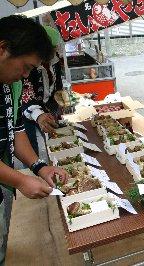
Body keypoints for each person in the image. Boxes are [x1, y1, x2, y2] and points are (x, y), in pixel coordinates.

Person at [0, 15, 69, 264]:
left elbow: (16, 129)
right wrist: (19, 180)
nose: (25, 75)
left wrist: (39, 167)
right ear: (3, 49)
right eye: (26, 67)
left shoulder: (9, 85)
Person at [22, 26, 63, 155]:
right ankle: (34, 169)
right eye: (52, 48)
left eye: (56, 47)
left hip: (48, 106)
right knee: (30, 145)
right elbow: (25, 93)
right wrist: (38, 114)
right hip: (27, 108)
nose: (55, 51)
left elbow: (57, 84)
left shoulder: (55, 60)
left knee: (54, 137)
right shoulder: (30, 64)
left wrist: (60, 99)